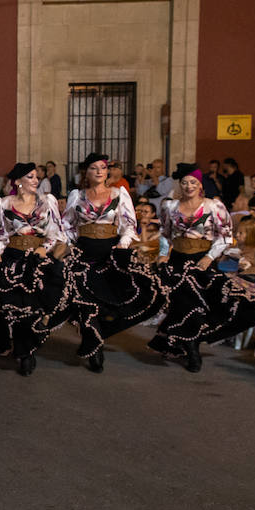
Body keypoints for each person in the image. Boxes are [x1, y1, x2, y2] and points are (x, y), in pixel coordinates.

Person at [148, 163, 255, 372]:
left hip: (202, 261)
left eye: (193, 182)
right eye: (185, 182)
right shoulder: (170, 206)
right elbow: (165, 232)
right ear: (180, 185)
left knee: (222, 305)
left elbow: (226, 237)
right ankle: (191, 349)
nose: (189, 186)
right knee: (186, 306)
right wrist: (163, 255)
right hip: (177, 263)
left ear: (200, 184)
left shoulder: (213, 206)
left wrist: (209, 257)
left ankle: (193, 342)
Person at [61, 153, 165, 372]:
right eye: (94, 168)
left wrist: (124, 244)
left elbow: (129, 224)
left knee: (138, 295)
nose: (99, 171)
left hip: (112, 253)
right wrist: (70, 245)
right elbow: (67, 225)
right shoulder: (76, 195)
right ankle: (94, 349)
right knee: (86, 304)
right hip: (84, 253)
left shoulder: (119, 194)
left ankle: (100, 333)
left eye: (103, 167)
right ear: (86, 172)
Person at [0, 162, 67, 376]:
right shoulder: (4, 203)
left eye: (36, 177)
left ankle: (29, 348)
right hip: (13, 259)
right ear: (18, 182)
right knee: (17, 308)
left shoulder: (47, 202)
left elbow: (56, 233)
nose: (35, 180)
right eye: (30, 177)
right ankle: (23, 353)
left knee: (34, 307)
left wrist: (44, 248)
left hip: (37, 259)